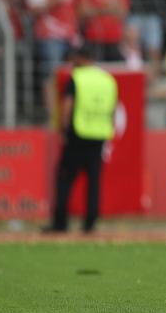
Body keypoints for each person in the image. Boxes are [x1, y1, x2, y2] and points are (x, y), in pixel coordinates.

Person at [45, 46, 118, 233]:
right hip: (99, 134)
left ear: (80, 58)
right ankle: (90, 223)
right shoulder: (107, 80)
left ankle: (60, 222)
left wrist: (63, 128)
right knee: (94, 181)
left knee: (65, 178)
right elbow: (112, 107)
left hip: (78, 134)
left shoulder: (77, 78)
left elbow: (67, 106)